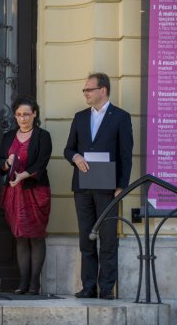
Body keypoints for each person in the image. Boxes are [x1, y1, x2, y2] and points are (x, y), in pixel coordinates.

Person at [64, 72, 133, 300]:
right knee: (86, 238)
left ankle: (106, 288)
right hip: (82, 187)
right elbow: (68, 149)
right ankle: (88, 286)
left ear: (102, 90)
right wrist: (75, 158)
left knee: (108, 239)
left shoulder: (121, 117)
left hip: (108, 188)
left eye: (89, 89)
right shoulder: (80, 117)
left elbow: (125, 154)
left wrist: (122, 186)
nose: (85, 93)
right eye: (84, 90)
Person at [0, 96, 52, 295]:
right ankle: (23, 282)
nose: (22, 118)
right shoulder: (8, 136)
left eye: (26, 114)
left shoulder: (42, 136)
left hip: (35, 191)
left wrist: (22, 175)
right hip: (14, 193)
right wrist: (6, 163)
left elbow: (41, 163)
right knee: (20, 237)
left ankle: (35, 284)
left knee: (36, 237)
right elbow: (0, 162)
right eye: (19, 115)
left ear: (34, 114)